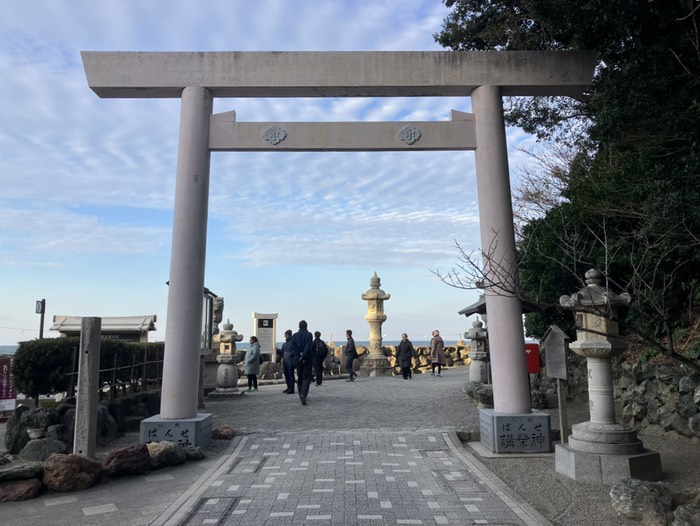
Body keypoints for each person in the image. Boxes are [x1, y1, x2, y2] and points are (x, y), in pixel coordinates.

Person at [291, 320, 313, 405]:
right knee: (306, 377)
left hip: (297, 358)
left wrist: (299, 355)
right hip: (307, 358)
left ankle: (300, 393)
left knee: (300, 377)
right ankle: (303, 394)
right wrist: (303, 355)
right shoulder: (309, 335)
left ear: (299, 326)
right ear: (306, 326)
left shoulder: (294, 336)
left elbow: (294, 347)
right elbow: (308, 346)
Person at [280, 329, 295, 394]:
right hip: (285, 361)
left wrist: (291, 354)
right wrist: (277, 351)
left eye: (286, 335)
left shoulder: (293, 343)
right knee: (286, 375)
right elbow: (282, 352)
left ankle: (291, 388)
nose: (285, 337)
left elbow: (295, 351)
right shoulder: (284, 344)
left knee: (290, 375)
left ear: (289, 335)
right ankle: (288, 387)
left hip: (290, 361)